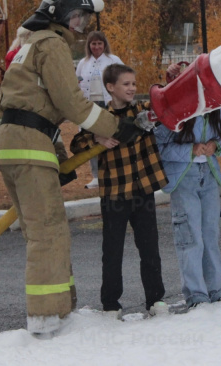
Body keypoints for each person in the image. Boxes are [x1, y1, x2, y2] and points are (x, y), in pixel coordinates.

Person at [0, 0, 143, 337]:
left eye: (83, 18)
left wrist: (59, 155)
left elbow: (42, 107)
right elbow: (72, 103)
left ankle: (62, 306)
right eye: (76, 16)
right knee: (48, 231)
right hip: (30, 146)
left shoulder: (29, 45)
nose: (79, 24)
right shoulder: (52, 44)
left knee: (46, 227)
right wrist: (117, 128)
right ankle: (45, 318)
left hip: (17, 144)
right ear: (58, 15)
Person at [70, 63, 169, 319]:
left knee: (149, 249)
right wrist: (97, 138)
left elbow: (166, 109)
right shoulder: (100, 116)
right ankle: (111, 304)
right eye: (126, 84)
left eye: (133, 84)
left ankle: (155, 300)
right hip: (114, 194)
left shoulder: (144, 110)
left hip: (143, 190)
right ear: (110, 87)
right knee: (112, 251)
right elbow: (76, 144)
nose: (132, 88)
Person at [156, 63, 221, 311]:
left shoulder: (219, 106)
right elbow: (160, 147)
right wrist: (189, 150)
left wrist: (215, 146)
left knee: (210, 235)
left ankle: (215, 290)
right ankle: (196, 294)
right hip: (184, 177)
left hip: (209, 176)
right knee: (190, 237)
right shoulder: (175, 108)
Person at [75, 31, 123, 189]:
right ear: (89, 45)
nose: (96, 47)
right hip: (90, 106)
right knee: (92, 139)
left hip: (108, 104)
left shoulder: (113, 60)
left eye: (99, 43)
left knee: (111, 137)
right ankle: (96, 176)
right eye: (93, 44)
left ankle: (114, 173)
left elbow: (123, 79)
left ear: (104, 45)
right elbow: (77, 82)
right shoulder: (83, 62)